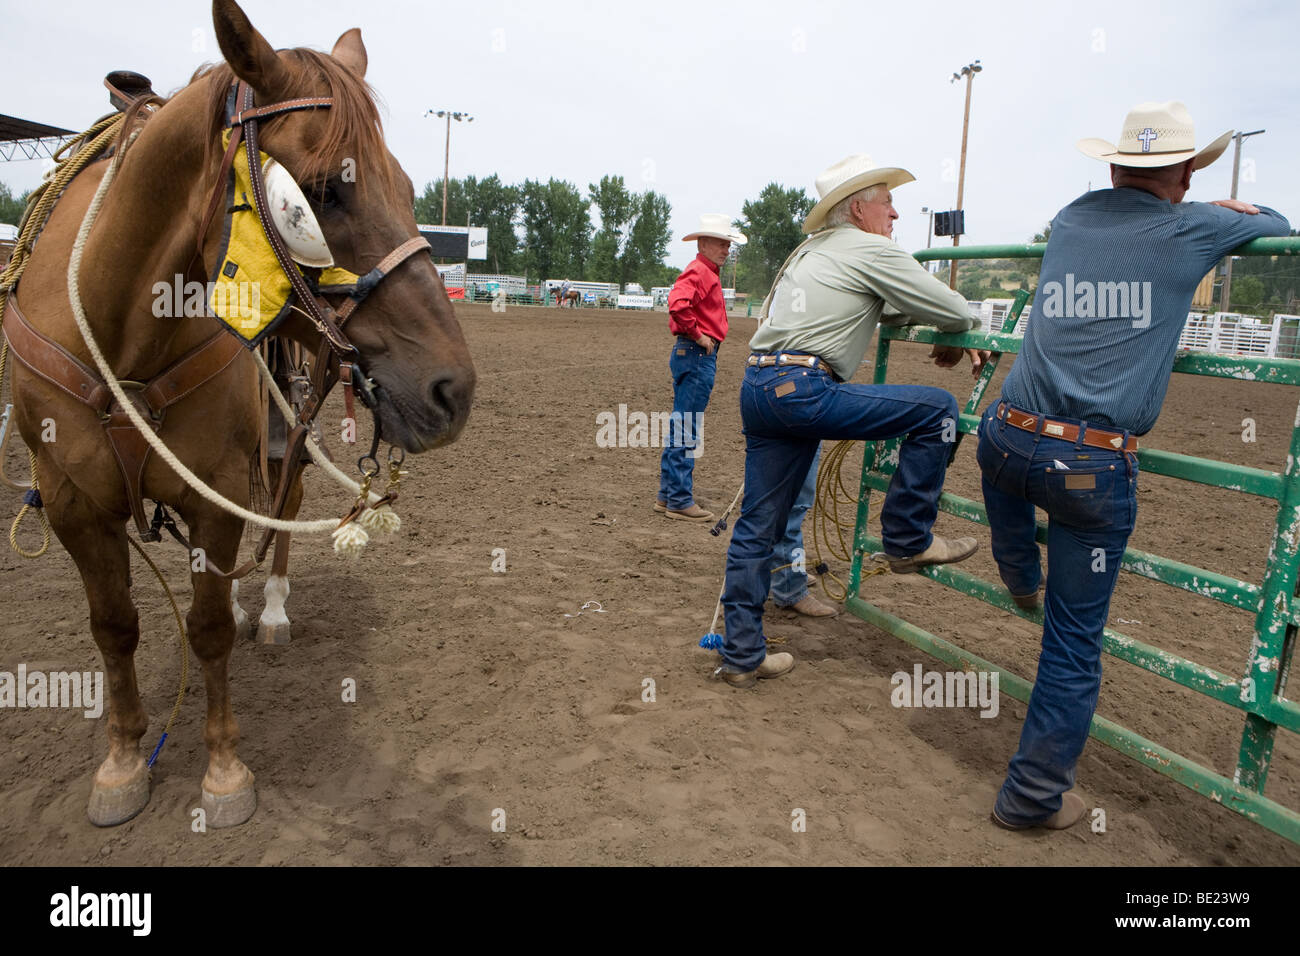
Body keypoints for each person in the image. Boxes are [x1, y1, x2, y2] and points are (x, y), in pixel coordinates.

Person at [979, 101, 1291, 831]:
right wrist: (1222, 207)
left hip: (1009, 432)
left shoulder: (1070, 216)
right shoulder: (1194, 225)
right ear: (1184, 172)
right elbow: (1278, 224)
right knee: (1074, 641)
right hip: (1087, 469)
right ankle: (1029, 800)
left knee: (1002, 458)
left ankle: (1021, 573)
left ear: (1114, 166)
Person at [716, 154, 989, 689]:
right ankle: (909, 537)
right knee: (938, 409)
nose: (895, 214)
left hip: (761, 386)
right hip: (804, 389)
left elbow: (886, 307)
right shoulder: (870, 249)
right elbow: (954, 309)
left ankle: (741, 654)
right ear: (860, 208)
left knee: (756, 525)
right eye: (887, 201)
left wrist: (921, 315)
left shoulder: (815, 251)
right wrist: (955, 328)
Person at [656, 213, 746, 522]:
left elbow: (680, 305)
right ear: (704, 243)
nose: (726, 250)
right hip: (697, 353)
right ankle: (679, 498)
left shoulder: (704, 272)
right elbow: (678, 304)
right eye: (721, 244)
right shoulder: (700, 272)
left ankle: (668, 495)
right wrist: (699, 336)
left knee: (681, 422)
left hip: (689, 353)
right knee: (687, 425)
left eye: (727, 244)